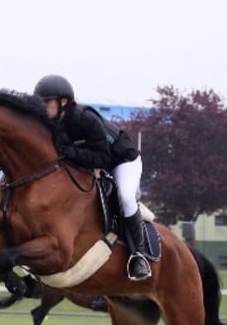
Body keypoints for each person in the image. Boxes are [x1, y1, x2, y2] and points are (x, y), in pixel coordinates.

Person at [33, 74, 151, 281]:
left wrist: (69, 152)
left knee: (124, 197)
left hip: (122, 161)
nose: (43, 108)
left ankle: (138, 255)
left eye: (46, 102)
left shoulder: (84, 119)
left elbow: (103, 158)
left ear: (63, 101)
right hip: (92, 164)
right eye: (40, 103)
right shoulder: (52, 123)